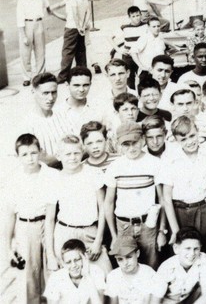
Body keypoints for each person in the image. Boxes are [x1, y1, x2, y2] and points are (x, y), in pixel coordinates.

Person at [44, 135, 111, 274]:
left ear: (82, 152)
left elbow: (103, 208)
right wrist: (50, 255)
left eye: (76, 153)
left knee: (104, 273)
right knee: (69, 277)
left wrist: (98, 241)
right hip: (65, 232)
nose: (72, 157)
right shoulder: (53, 180)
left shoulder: (93, 173)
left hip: (90, 232)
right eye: (68, 154)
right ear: (59, 155)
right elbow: (49, 219)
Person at [5, 134, 60, 304]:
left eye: (33, 153)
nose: (30, 158)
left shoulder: (51, 175)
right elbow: (10, 216)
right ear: (17, 157)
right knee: (27, 279)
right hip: (24, 229)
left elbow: (51, 217)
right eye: (24, 154)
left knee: (51, 272)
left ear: (40, 152)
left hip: (47, 226)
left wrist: (50, 251)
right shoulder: (14, 179)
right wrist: (7, 247)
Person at [104, 121, 163, 268]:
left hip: (148, 225)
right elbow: (109, 202)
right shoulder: (114, 167)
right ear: (119, 145)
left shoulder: (154, 163)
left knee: (151, 265)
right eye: (126, 144)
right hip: (124, 226)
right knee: (126, 266)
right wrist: (113, 235)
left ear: (143, 140)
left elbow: (162, 199)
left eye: (135, 142)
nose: (131, 148)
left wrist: (162, 230)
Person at [160, 116, 206, 251]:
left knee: (204, 250)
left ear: (197, 131)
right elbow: (166, 198)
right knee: (182, 251)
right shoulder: (170, 159)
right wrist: (175, 230)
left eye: (192, 136)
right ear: (176, 140)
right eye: (183, 139)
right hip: (179, 212)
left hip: (203, 209)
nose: (190, 142)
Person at [155, 226, 206, 303]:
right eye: (187, 248)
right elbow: (155, 301)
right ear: (176, 248)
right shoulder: (166, 267)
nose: (192, 254)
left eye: (196, 249)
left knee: (204, 290)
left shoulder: (205, 259)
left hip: (189, 300)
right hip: (168, 301)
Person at [43, 239, 106, 304]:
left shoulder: (96, 271)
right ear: (63, 263)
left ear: (85, 257)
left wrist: (87, 275)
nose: (73, 265)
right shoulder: (55, 277)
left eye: (77, 260)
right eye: (68, 262)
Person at [105, 235, 165, 303]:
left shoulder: (148, 274)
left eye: (129, 257)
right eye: (120, 259)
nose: (125, 263)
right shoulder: (113, 276)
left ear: (137, 253)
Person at [55, 0, 91, 83]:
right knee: (81, 51)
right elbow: (88, 12)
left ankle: (63, 76)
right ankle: (82, 72)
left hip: (72, 27)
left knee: (67, 51)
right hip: (81, 28)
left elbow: (74, 13)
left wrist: (78, 25)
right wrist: (83, 25)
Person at [17, 0, 53, 86]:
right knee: (25, 52)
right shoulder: (22, 1)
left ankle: (40, 74)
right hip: (26, 25)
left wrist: (51, 12)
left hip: (39, 23)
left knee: (40, 50)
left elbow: (48, 7)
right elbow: (19, 19)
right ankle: (26, 77)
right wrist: (23, 35)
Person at [113, 6, 148, 89]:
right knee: (129, 79)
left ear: (141, 15)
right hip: (129, 56)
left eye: (138, 15)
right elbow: (109, 37)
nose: (136, 18)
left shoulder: (146, 26)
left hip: (141, 56)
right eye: (133, 16)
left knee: (144, 78)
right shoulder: (125, 28)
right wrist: (119, 50)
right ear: (129, 17)